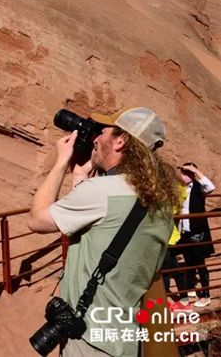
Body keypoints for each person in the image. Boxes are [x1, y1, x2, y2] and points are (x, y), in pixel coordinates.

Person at [28, 106, 181, 357]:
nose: (96, 138)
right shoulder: (162, 206)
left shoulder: (102, 191)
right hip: (124, 341)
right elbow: (111, 232)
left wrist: (61, 162)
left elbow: (36, 220)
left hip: (88, 343)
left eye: (103, 132)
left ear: (121, 141)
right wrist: (80, 178)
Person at [173, 163, 216, 310]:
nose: (183, 174)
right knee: (188, 261)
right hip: (184, 231)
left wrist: (196, 170)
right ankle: (190, 288)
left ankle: (205, 295)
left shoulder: (199, 187)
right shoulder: (179, 189)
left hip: (197, 232)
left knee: (200, 263)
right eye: (182, 171)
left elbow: (211, 187)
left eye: (186, 172)